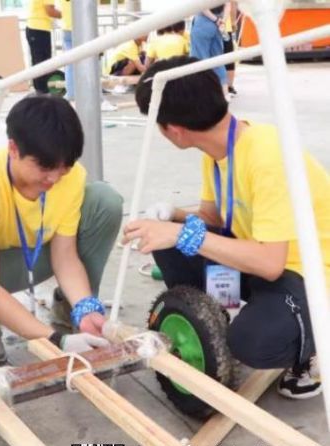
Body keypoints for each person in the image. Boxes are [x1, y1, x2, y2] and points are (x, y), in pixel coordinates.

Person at [128, 56, 329, 399]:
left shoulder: (267, 155)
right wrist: (173, 216)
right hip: (260, 259)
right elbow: (215, 219)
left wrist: (182, 233)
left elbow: (270, 263)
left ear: (173, 129)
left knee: (253, 343)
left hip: (309, 274)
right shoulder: (219, 151)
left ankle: (312, 347)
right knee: (167, 239)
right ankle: (215, 319)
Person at [0, 95, 124, 363]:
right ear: (13, 148)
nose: (54, 178)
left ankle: (73, 311)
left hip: (39, 258)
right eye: (45, 167)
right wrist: (54, 339)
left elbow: (65, 257)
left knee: (104, 200)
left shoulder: (71, 177)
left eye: (64, 168)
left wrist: (85, 307)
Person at [26, 0, 61, 94]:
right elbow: (50, 11)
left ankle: (40, 91)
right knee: (42, 62)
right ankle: (42, 91)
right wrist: (66, 15)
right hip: (38, 29)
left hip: (36, 28)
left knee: (40, 62)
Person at [190, 5, 228, 90]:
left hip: (202, 22)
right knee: (218, 61)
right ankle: (224, 92)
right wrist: (222, 22)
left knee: (199, 60)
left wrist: (216, 20)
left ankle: (201, 92)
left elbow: (202, 5)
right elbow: (228, 5)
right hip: (218, 26)